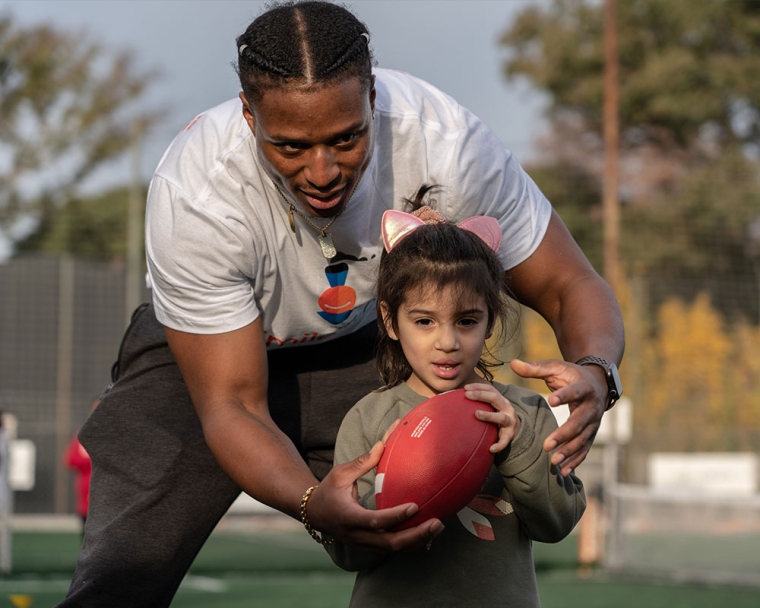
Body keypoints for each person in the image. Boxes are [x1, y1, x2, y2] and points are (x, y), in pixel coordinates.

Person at [58, 2, 623, 606]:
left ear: (372, 96)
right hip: (203, 363)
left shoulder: (448, 146)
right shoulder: (196, 192)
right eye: (292, 146)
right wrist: (309, 501)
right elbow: (231, 403)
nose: (323, 170)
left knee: (463, 537)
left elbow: (570, 285)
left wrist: (597, 370)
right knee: (120, 581)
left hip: (364, 344)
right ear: (250, 116)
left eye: (346, 138)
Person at [325, 195, 586, 607]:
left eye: (466, 321)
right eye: (424, 321)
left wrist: (517, 445)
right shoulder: (368, 417)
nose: (446, 342)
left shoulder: (525, 412)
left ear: (490, 321)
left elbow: (557, 522)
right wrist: (399, 477)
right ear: (391, 321)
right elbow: (346, 552)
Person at [65, 398, 98, 535]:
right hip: (86, 494)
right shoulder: (83, 433)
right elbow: (71, 460)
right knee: (86, 535)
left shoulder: (116, 433)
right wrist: (94, 460)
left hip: (108, 495)